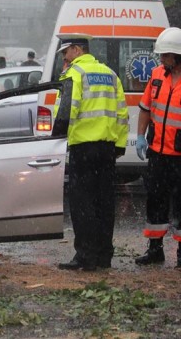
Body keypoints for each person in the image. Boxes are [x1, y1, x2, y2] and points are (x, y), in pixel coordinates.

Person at [55, 33, 129, 271]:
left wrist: (55, 141)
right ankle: (104, 256)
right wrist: (118, 146)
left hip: (83, 149)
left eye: (66, 52)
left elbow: (66, 112)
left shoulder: (73, 74)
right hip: (107, 150)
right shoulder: (110, 74)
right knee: (104, 203)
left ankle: (85, 256)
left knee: (82, 203)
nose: (65, 58)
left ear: (77, 49)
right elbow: (121, 113)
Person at [134, 27, 181, 267]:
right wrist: (141, 136)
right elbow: (145, 108)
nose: (161, 59)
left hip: (179, 156)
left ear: (177, 55)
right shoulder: (156, 75)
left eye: (165, 55)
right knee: (155, 201)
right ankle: (155, 250)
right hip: (158, 153)